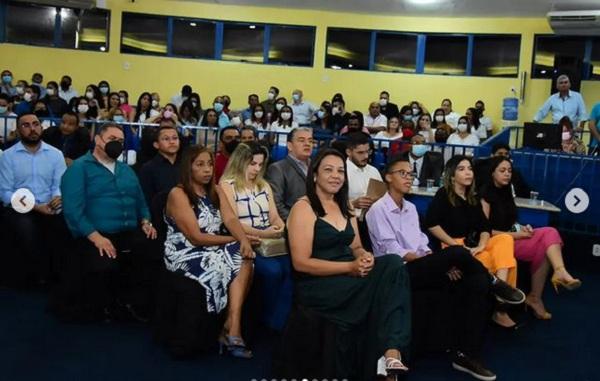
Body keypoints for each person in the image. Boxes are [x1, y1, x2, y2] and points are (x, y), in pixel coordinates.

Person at [367, 155, 525, 381]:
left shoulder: (410, 208)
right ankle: (494, 281)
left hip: (421, 264)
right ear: (388, 177)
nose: (409, 178)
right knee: (458, 252)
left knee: (475, 281)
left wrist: (435, 263)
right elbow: (393, 251)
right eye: (403, 173)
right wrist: (436, 265)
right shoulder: (378, 210)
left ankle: (466, 354)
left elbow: (422, 242)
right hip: (396, 271)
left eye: (411, 174)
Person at [286, 148, 411, 380]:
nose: (336, 176)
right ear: (314, 175)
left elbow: (356, 246)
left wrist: (364, 256)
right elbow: (301, 263)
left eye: (340, 171)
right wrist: (350, 268)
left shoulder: (346, 206)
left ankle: (391, 352)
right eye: (328, 170)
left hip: (349, 273)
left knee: (394, 264)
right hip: (319, 284)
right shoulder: (303, 208)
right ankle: (386, 356)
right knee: (388, 285)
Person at [163, 145, 256, 358]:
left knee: (246, 255)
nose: (207, 170)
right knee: (235, 254)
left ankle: (232, 327)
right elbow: (195, 237)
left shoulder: (216, 190)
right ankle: (230, 330)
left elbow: (231, 219)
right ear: (189, 168)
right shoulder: (178, 194)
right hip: (184, 251)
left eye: (210, 164)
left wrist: (244, 240)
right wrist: (236, 239)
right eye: (200, 165)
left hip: (214, 247)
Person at [60, 123, 158, 321]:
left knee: (152, 255)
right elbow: (73, 211)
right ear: (97, 140)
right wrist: (96, 238)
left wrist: (146, 221)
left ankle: (133, 304)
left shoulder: (127, 171)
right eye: (112, 140)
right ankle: (103, 306)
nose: (117, 144)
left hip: (128, 232)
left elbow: (141, 202)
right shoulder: (79, 168)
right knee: (105, 264)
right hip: (95, 234)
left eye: (121, 141)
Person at [426, 155, 523, 328]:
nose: (468, 172)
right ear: (452, 175)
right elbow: (432, 225)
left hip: (473, 246)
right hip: (453, 245)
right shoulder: (443, 194)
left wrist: (482, 245)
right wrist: (456, 245)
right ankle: (500, 308)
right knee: (510, 263)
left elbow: (485, 228)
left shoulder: (473, 198)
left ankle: (500, 287)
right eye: (461, 169)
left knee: (505, 238)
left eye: (470, 168)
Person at [480, 156, 581, 320]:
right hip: (496, 242)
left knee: (549, 234)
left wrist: (522, 228)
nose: (507, 174)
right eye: (502, 171)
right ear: (492, 173)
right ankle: (534, 297)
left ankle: (556, 275)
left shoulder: (507, 191)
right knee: (544, 244)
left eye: (509, 171)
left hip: (511, 236)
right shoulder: (485, 195)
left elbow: (510, 221)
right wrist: (517, 235)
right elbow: (485, 231)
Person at [220, 142, 291, 331]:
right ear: (240, 162)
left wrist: (280, 228)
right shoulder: (227, 185)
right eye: (252, 164)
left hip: (271, 240)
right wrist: (264, 233)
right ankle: (266, 319)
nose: (257, 169)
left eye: (260, 164)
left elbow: (274, 215)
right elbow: (232, 221)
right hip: (244, 240)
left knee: (293, 268)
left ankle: (279, 320)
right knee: (273, 271)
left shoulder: (264, 185)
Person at [0, 113, 68, 287]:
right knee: (26, 227)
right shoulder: (8, 156)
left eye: (36, 124)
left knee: (63, 225)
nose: (32, 129)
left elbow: (58, 184)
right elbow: (6, 192)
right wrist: (36, 207)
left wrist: (57, 198)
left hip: (50, 205)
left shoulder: (55, 154)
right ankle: (35, 277)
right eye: (26, 125)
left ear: (41, 127)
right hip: (20, 208)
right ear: (18, 130)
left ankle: (56, 276)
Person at [265, 127, 313, 220]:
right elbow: (276, 204)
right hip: (293, 223)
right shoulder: (277, 169)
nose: (307, 144)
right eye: (301, 140)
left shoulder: (317, 167)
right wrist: (295, 222)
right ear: (289, 146)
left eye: (310, 141)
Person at [139, 125, 181, 208]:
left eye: (175, 138)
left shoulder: (186, 165)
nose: (172, 142)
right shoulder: (148, 168)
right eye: (166, 139)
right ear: (156, 144)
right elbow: (145, 199)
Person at [346, 132, 383, 217]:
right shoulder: (341, 171)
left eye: (368, 151)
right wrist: (353, 204)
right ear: (349, 152)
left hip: (374, 219)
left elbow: (383, 197)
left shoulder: (374, 171)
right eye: (360, 153)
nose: (366, 156)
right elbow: (329, 202)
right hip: (350, 219)